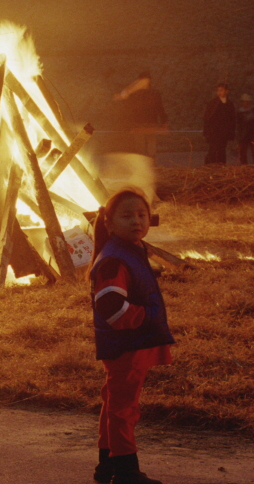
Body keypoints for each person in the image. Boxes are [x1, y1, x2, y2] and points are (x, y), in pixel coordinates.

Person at [89, 188, 175, 484]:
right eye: (126, 216)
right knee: (124, 407)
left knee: (113, 401)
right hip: (127, 344)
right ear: (109, 223)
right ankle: (126, 472)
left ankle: (108, 467)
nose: (136, 221)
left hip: (131, 344)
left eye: (141, 214)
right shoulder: (115, 259)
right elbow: (111, 306)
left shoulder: (130, 251)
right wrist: (147, 317)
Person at [202, 83, 237, 165]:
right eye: (218, 90)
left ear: (227, 91)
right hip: (214, 132)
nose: (219, 92)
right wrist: (207, 132)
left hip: (224, 133)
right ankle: (210, 166)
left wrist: (231, 133)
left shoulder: (230, 104)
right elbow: (207, 118)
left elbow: (232, 119)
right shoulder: (213, 103)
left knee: (222, 150)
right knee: (213, 150)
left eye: (221, 90)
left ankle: (221, 167)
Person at [235, 94, 254, 165]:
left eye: (247, 102)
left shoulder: (253, 112)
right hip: (243, 134)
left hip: (251, 134)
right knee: (243, 151)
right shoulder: (240, 113)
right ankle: (244, 164)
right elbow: (239, 125)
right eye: (244, 101)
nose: (246, 103)